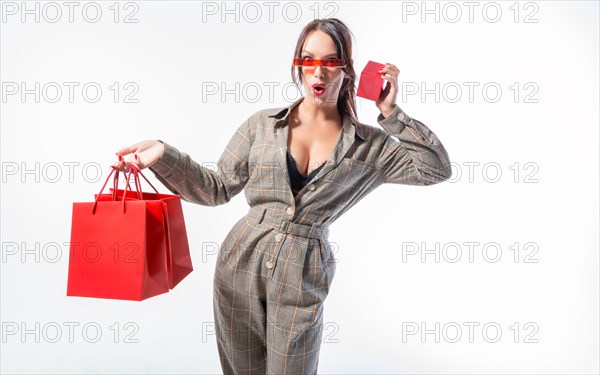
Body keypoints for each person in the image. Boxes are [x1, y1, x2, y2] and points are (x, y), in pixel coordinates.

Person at [115, 18, 451, 375]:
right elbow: (216, 189)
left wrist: (390, 112)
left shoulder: (371, 146)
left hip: (303, 270)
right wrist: (163, 154)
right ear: (298, 66)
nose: (317, 72)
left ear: (347, 69)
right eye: (308, 60)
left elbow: (434, 168)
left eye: (330, 61)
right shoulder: (262, 125)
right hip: (239, 260)